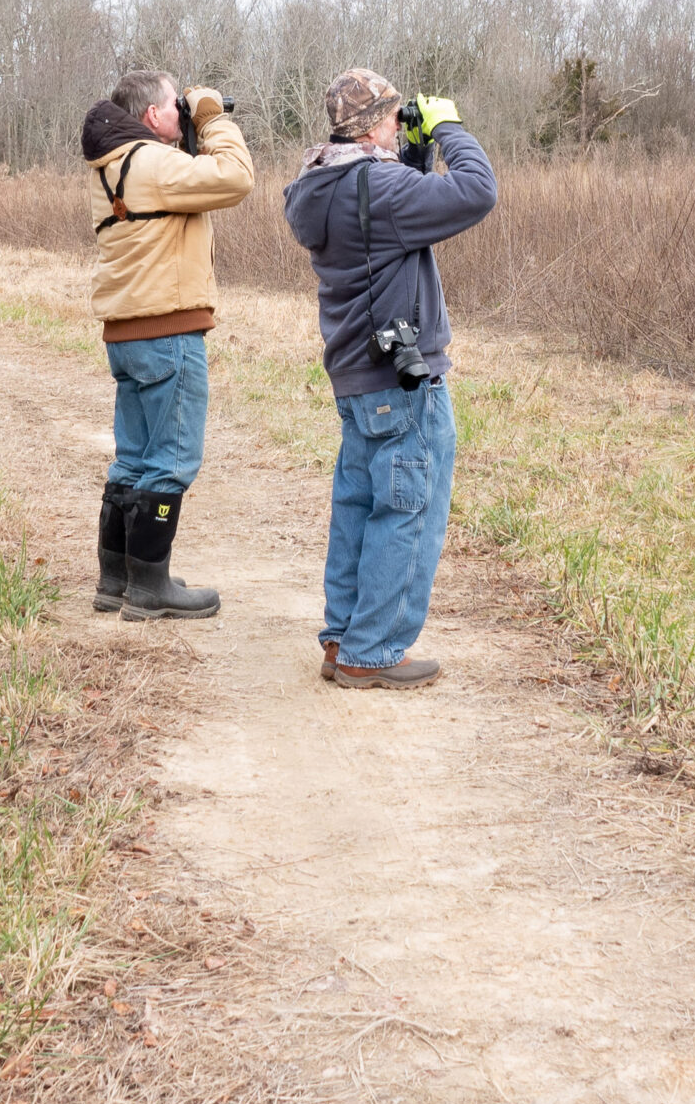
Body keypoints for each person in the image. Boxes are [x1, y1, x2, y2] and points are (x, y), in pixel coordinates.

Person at [281, 69, 498, 688]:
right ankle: (372, 651)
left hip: (355, 373)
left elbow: (388, 218)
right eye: (393, 118)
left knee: (358, 505)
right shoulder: (380, 184)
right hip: (401, 381)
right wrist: (448, 128)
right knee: (407, 508)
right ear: (375, 125)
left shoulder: (319, 184)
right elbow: (477, 191)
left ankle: (342, 636)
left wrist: (414, 153)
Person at [81, 69, 255, 618]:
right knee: (172, 461)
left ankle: (117, 578)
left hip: (126, 333)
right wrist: (212, 117)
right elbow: (235, 178)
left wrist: (190, 128)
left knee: (132, 460)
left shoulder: (112, 166)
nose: (180, 112)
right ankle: (152, 587)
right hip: (167, 331)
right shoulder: (154, 162)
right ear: (152, 115)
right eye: (173, 105)